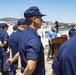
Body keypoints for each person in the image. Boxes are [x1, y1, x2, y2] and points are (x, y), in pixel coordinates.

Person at [16, 6, 46, 75]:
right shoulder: (33, 38)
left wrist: (19, 69)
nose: (42, 21)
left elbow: (20, 55)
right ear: (34, 19)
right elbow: (30, 67)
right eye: (40, 19)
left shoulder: (23, 35)